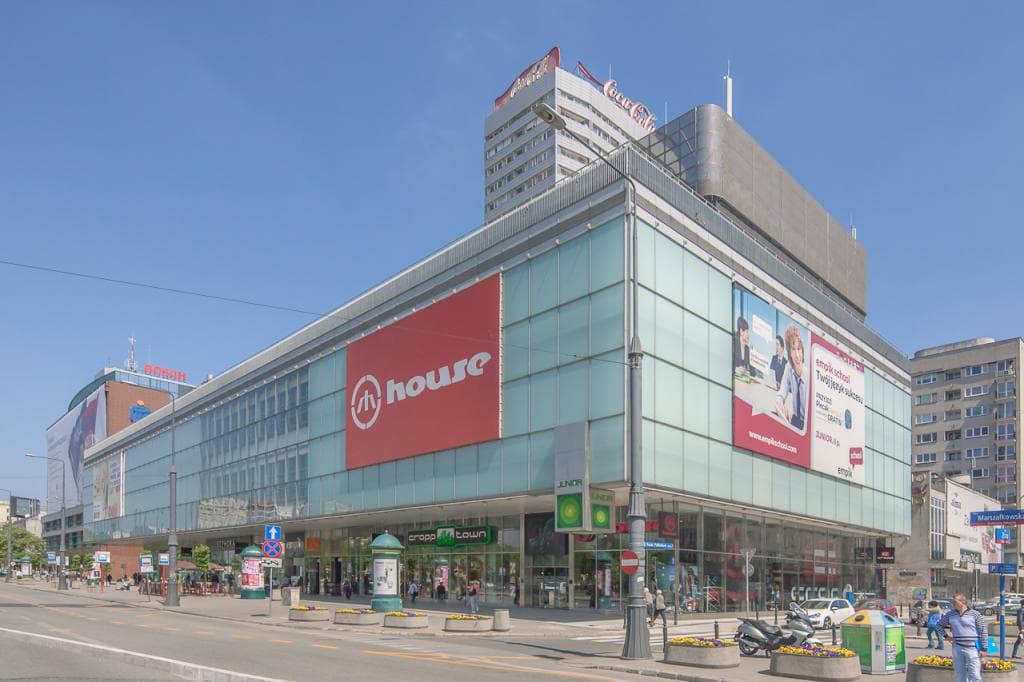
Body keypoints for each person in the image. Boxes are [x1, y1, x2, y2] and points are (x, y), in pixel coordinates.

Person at [936, 592, 986, 682]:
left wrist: (984, 648)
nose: (953, 604)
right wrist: (947, 637)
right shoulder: (950, 614)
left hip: (972, 647)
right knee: (959, 674)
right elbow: (938, 626)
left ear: (963, 601)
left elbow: (983, 631)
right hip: (957, 647)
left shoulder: (975, 614)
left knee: (975, 674)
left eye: (955, 602)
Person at [775, 324, 807, 430]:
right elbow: (781, 393)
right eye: (793, 350)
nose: (797, 355)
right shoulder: (788, 367)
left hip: (807, 426)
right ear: (789, 353)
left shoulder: (808, 376)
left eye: (799, 349)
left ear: (802, 351)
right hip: (794, 420)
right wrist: (781, 405)